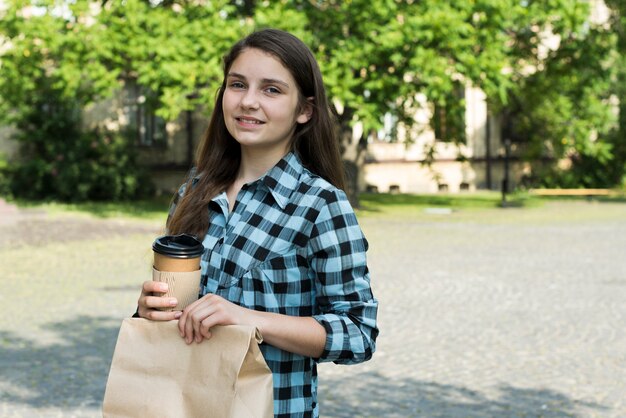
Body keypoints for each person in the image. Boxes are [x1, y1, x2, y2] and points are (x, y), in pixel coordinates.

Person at [136, 28, 378, 418]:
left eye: (271, 90)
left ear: (305, 111)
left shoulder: (320, 205)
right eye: (237, 85)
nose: (248, 102)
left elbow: (358, 334)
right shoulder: (193, 193)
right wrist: (150, 310)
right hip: (186, 405)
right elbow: (178, 319)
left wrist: (250, 319)